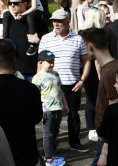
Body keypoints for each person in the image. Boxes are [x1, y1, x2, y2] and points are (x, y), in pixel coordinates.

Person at [83, 27, 118, 166]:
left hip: (107, 139)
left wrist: (105, 148)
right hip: (106, 137)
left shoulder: (110, 71)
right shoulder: (109, 68)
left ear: (90, 46)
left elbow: (115, 111)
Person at [39, 9, 91, 153]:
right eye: (54, 21)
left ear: (68, 22)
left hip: (72, 83)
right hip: (51, 85)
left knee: (73, 115)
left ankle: (74, 142)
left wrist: (82, 80)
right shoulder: (46, 38)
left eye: (59, 21)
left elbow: (86, 61)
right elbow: (39, 62)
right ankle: (51, 145)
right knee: (52, 117)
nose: (56, 23)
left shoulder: (78, 39)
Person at [33, 51, 68, 166]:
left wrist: (65, 105)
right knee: (48, 134)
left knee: (55, 132)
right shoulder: (37, 78)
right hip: (47, 110)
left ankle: (51, 153)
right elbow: (35, 96)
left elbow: (61, 91)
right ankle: (48, 158)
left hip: (58, 108)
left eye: (53, 61)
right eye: (49, 62)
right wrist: (38, 111)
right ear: (41, 63)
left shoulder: (56, 74)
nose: (52, 64)